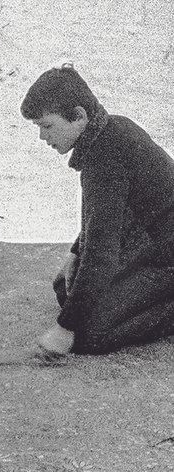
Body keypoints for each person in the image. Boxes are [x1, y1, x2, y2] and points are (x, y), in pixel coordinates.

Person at [22, 63, 174, 356]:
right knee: (64, 288)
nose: (42, 137)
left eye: (47, 126)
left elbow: (102, 253)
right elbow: (103, 218)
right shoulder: (113, 127)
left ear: (79, 116)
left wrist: (64, 329)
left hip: (166, 255)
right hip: (151, 238)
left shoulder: (105, 160)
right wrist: (75, 253)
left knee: (90, 334)